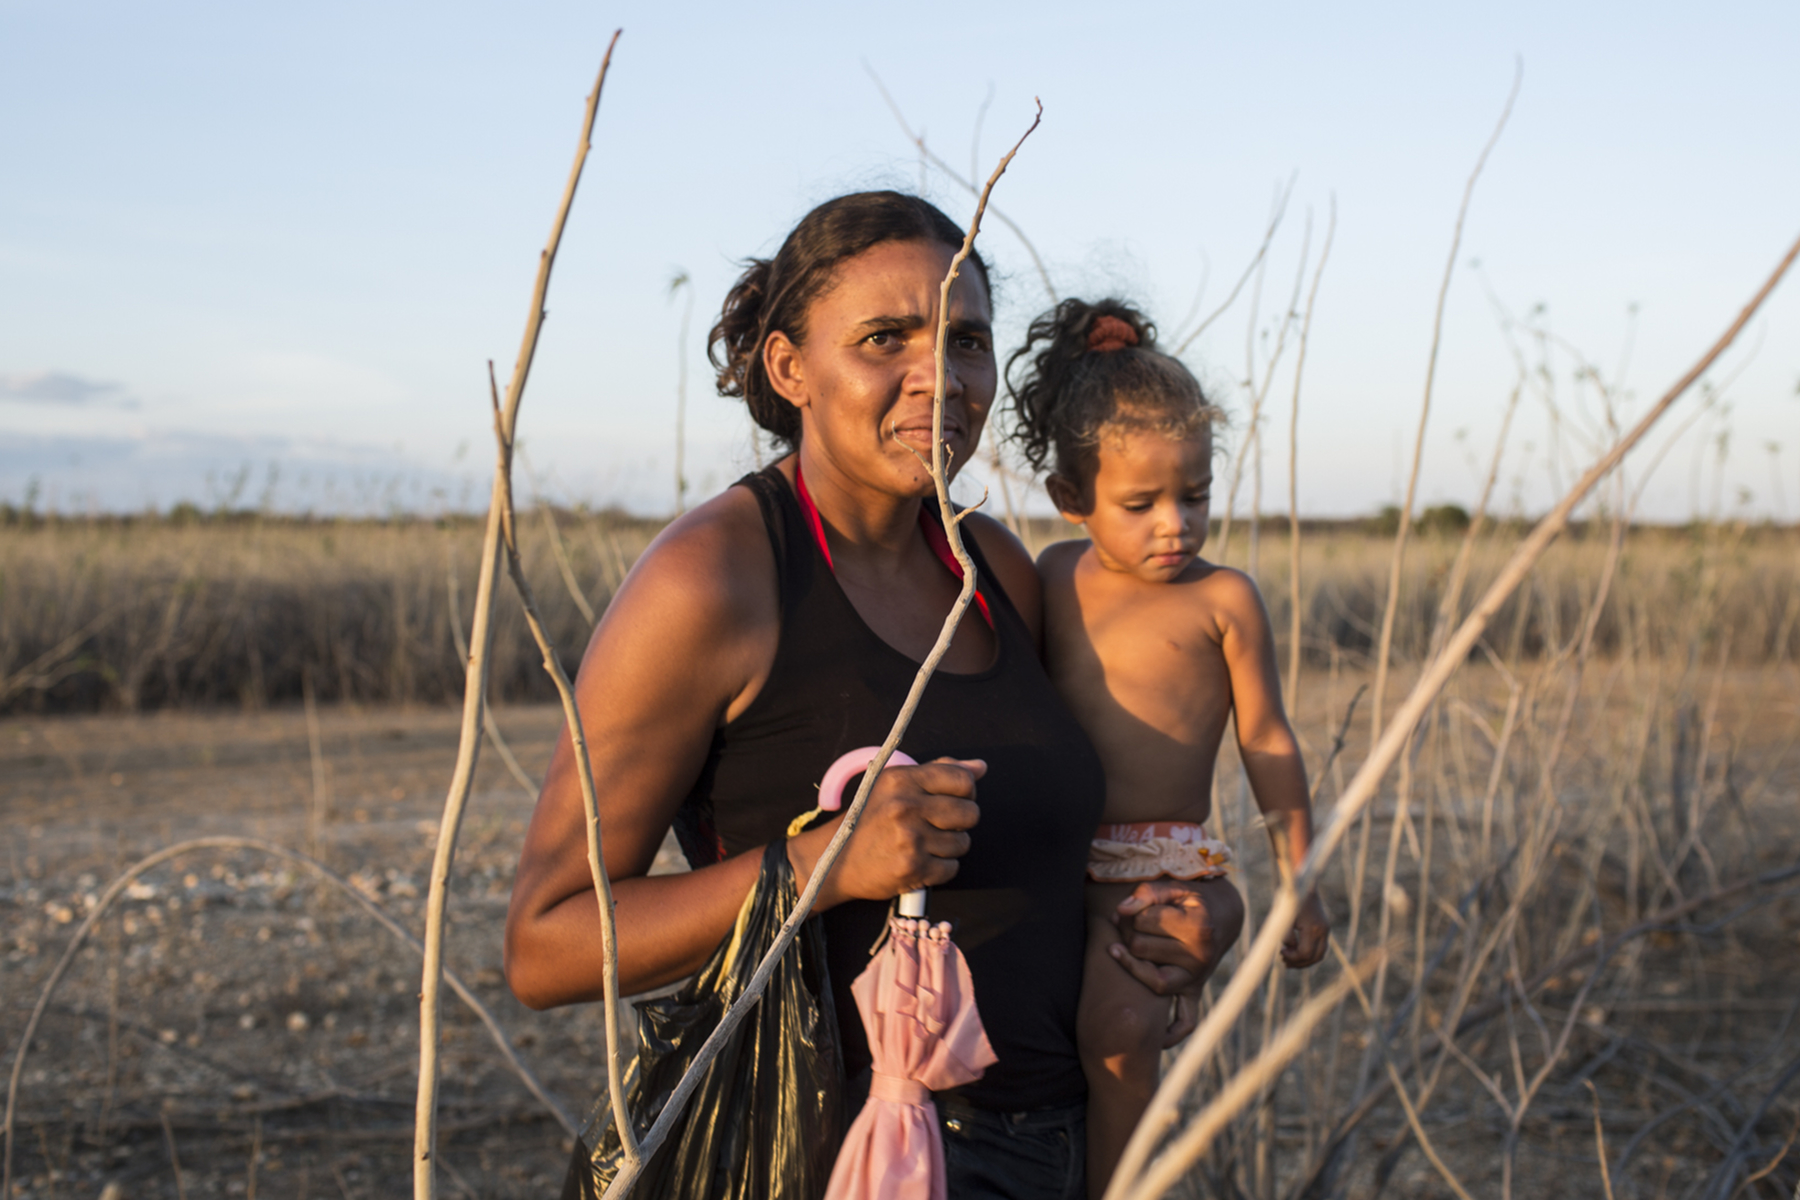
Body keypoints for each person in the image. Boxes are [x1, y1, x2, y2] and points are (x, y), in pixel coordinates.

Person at [504, 193, 1243, 1200]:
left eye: (967, 338)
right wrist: (821, 864)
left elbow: (1077, 843)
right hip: (847, 1153)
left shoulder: (995, 566)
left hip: (1063, 1149)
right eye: (885, 337)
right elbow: (545, 946)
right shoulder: (713, 580)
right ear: (789, 367)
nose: (939, 375)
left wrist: (1190, 915)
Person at [1006, 298, 1331, 1197]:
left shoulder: (1224, 600)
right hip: (1061, 870)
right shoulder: (1052, 579)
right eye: (1140, 503)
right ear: (1072, 500)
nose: (1174, 526)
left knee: (1117, 1043)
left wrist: (1296, 878)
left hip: (1159, 873)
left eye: (1195, 496)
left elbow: (1267, 738)